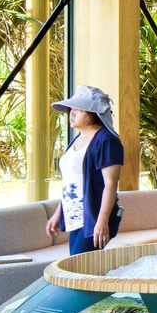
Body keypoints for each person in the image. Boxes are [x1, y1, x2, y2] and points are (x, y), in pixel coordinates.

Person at [46, 85, 124, 255]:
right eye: (71, 109)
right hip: (74, 219)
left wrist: (102, 221)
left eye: (78, 109)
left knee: (76, 268)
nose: (71, 113)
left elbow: (110, 184)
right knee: (77, 268)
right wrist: (58, 214)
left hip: (93, 219)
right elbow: (72, 183)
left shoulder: (106, 140)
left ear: (94, 112)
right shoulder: (77, 139)